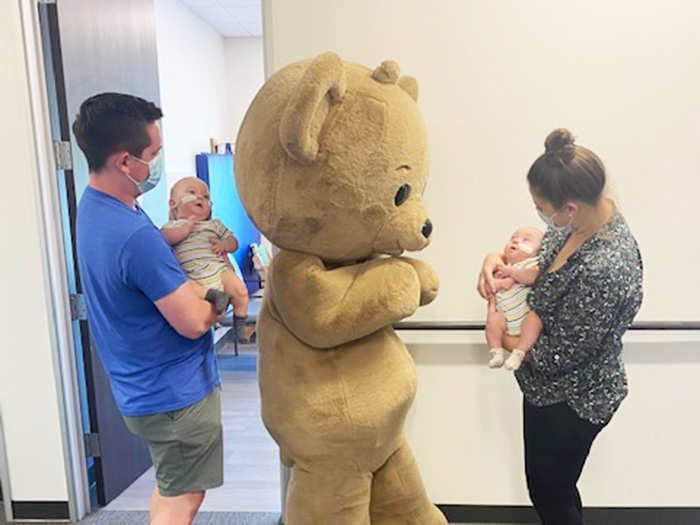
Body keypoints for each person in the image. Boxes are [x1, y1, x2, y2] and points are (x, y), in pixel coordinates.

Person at [477, 129, 643, 525]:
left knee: (550, 492)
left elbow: (555, 355)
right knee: (554, 489)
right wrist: (492, 261)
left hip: (574, 399)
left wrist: (500, 334)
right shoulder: (576, 226)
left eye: (541, 208)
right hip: (544, 389)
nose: (539, 216)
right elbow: (533, 260)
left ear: (568, 207)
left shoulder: (605, 266)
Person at [74, 93, 225, 525]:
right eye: (153, 155)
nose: (157, 163)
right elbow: (195, 321)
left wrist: (188, 285)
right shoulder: (133, 235)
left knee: (171, 484)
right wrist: (211, 293)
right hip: (173, 394)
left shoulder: (94, 210)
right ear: (125, 162)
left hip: (140, 387)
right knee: (183, 498)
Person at [162, 176, 250, 343]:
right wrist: (185, 229)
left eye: (206, 196)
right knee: (186, 285)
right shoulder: (171, 227)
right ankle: (214, 296)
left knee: (240, 289)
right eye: (192, 192)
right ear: (173, 203)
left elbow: (234, 242)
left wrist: (225, 244)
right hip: (193, 278)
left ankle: (240, 324)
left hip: (219, 271)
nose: (200, 197)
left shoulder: (214, 225)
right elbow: (165, 239)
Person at [485, 227, 543, 371]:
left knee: (535, 319)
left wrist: (511, 273)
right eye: (513, 238)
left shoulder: (532, 264)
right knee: (493, 321)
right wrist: (498, 282)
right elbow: (488, 288)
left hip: (524, 318)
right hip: (505, 317)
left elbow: (532, 277)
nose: (516, 241)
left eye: (526, 240)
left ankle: (519, 353)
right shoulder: (500, 267)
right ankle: (496, 352)